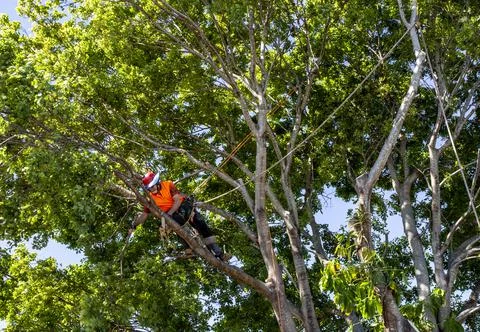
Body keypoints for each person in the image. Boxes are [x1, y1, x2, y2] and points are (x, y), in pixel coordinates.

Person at [129, 171, 230, 262]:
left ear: (157, 181)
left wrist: (169, 214)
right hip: (173, 217)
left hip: (184, 208)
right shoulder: (150, 198)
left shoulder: (168, 185)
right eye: (150, 187)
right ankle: (189, 249)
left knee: (201, 224)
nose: (152, 188)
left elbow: (177, 200)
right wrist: (134, 225)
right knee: (175, 225)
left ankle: (219, 253)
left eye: (153, 186)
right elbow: (144, 214)